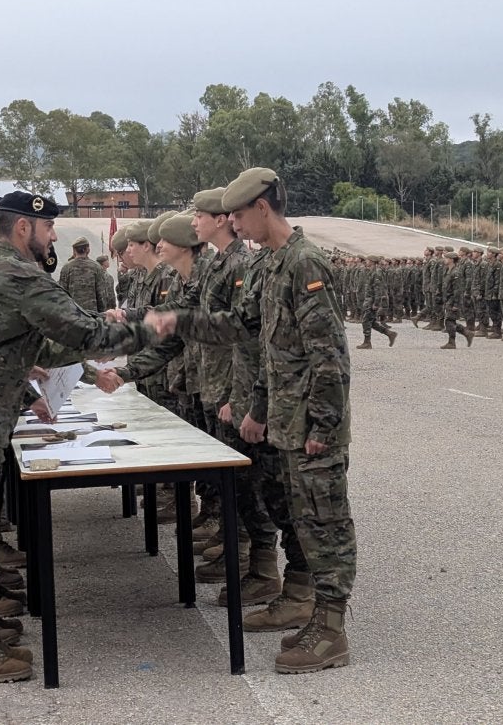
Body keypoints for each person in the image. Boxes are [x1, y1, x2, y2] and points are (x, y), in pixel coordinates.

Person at [0, 190, 158, 683]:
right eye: (48, 227)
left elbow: (13, 343)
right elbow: (86, 336)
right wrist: (159, 323)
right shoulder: (17, 275)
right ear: (24, 227)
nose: (53, 236)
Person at [148, 167, 355, 675]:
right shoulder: (273, 263)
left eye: (239, 214)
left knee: (325, 523)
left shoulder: (306, 262)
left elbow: (328, 357)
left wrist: (323, 430)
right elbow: (260, 344)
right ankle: (304, 600)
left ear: (263, 207)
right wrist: (258, 410)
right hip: (284, 420)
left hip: (311, 425)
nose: (234, 224)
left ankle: (330, 629)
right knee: (301, 518)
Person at [57, 236, 115, 312]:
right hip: (92, 316)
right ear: (88, 250)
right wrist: (102, 315)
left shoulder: (66, 268)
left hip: (73, 315)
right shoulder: (96, 267)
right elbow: (101, 295)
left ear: (74, 250)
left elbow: (62, 294)